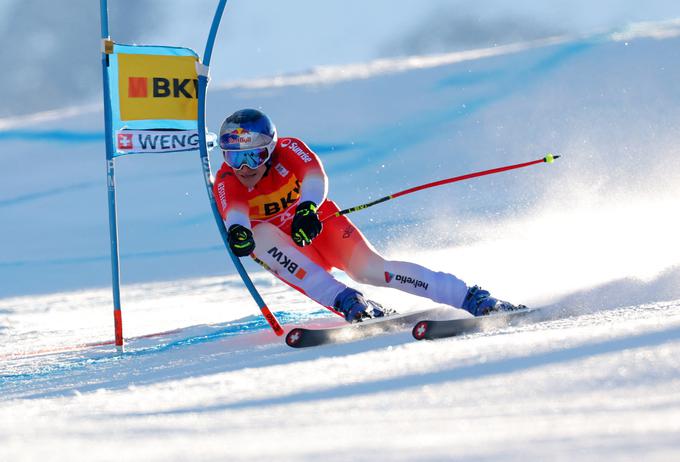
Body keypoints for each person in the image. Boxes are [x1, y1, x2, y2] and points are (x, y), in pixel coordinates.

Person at [213, 108, 523, 323]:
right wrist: (238, 233)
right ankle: (348, 302)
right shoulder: (227, 180)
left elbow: (315, 178)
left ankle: (471, 298)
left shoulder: (290, 149)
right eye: (234, 157)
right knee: (259, 238)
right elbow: (235, 214)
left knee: (371, 270)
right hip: (290, 251)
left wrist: (307, 208)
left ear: (271, 149)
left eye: (253, 155)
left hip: (317, 226)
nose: (244, 168)